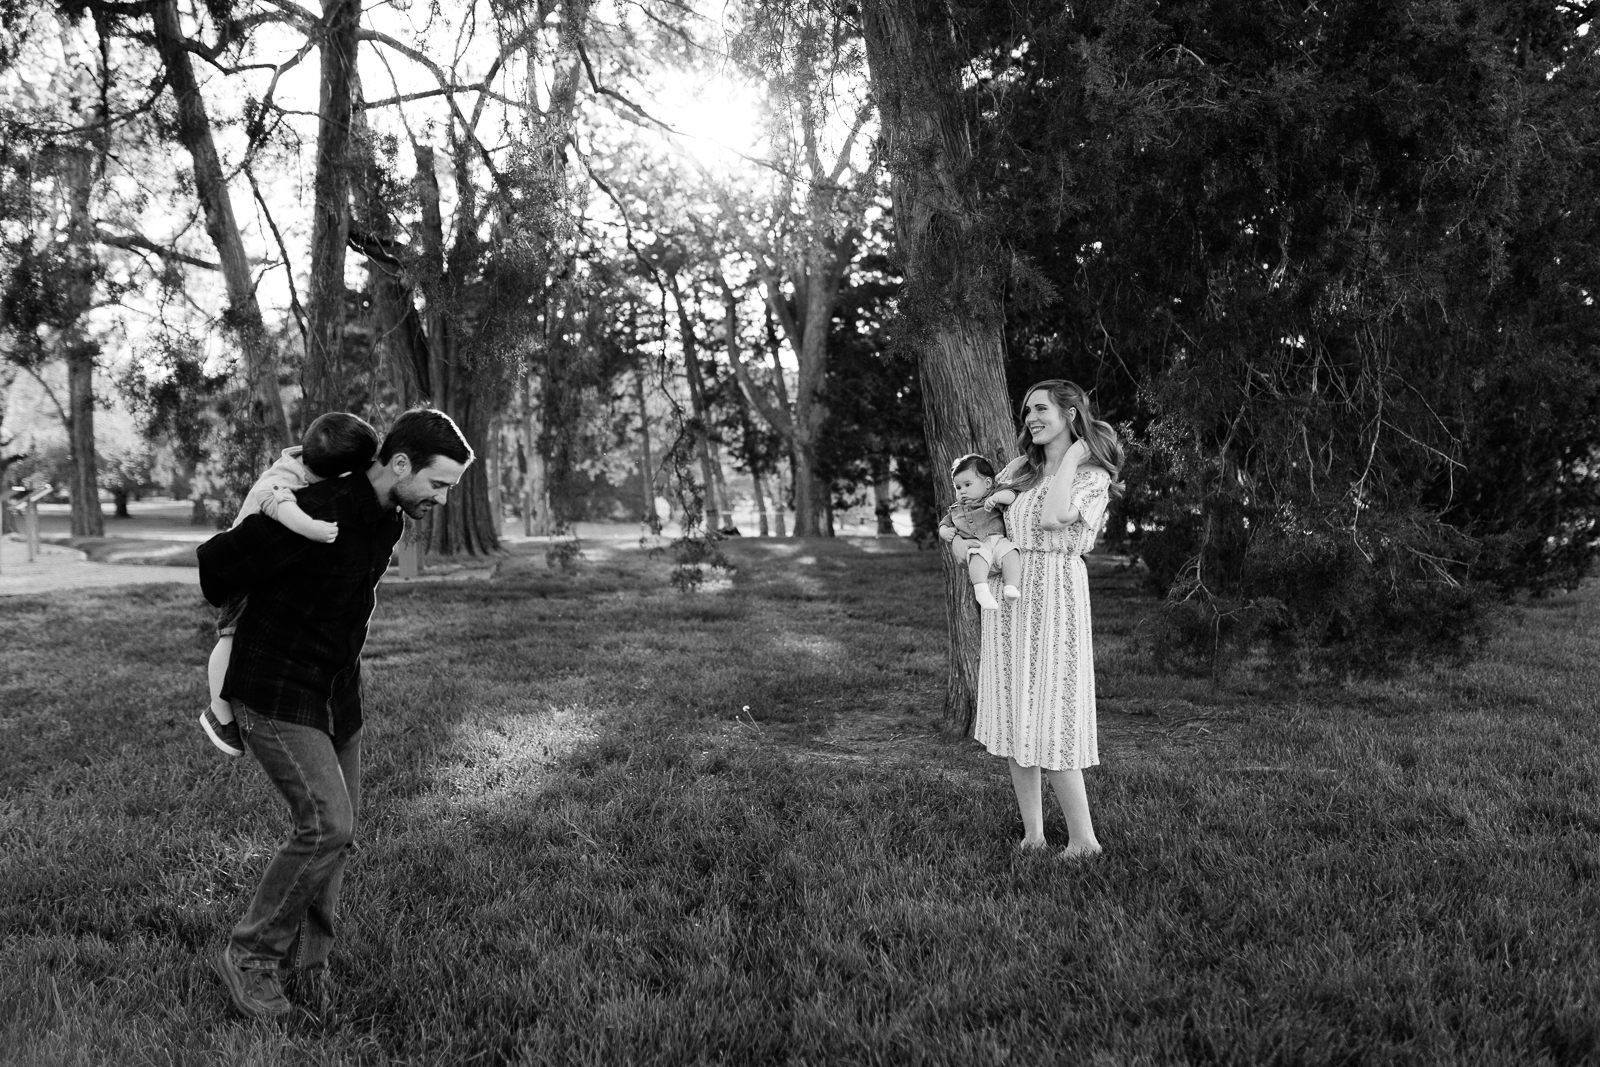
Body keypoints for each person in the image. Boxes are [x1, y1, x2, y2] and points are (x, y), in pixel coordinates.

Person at [196, 407, 474, 1020]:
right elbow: (216, 565)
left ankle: (309, 965)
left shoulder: (388, 521)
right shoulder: (316, 509)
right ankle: (251, 957)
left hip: (334, 693)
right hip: (274, 688)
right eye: (439, 484)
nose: (443, 499)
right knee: (327, 826)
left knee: (337, 838)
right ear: (399, 464)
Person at [972, 380, 1122, 860]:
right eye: (1027, 410)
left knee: (1052, 714)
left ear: (1070, 414)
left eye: (1041, 409)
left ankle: (1084, 841)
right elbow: (989, 522)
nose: (1031, 417)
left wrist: (1075, 457)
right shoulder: (1019, 469)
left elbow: (1056, 518)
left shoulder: (1092, 476)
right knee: (1017, 712)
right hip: (1010, 595)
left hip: (1057, 594)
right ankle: (1033, 834)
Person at [198, 413, 382, 758]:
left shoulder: (310, 459)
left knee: (241, 635)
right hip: (244, 570)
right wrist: (312, 527)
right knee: (230, 636)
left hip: (266, 569)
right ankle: (218, 713)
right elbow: (278, 505)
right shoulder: (283, 477)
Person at [938, 453, 1021, 610]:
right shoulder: (956, 510)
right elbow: (943, 524)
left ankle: (1011, 587)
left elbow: (1012, 496)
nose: (962, 491)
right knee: (976, 556)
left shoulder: (991, 496)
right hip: (976, 545)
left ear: (988, 483)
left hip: (997, 540)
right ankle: (981, 590)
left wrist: (997, 498)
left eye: (968, 485)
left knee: (1011, 552)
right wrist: (945, 533)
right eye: (958, 487)